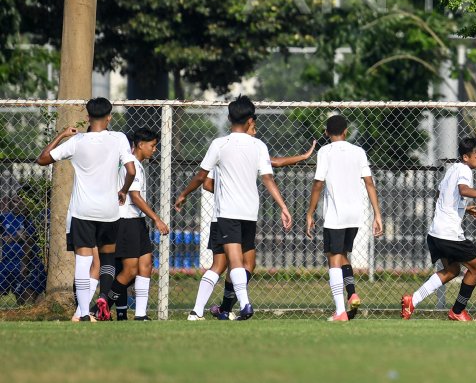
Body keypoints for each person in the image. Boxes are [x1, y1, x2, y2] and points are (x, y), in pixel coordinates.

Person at [174, 95, 293, 321]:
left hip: (231, 213)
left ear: (229, 118)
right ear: (250, 120)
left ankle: (209, 310)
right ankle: (241, 305)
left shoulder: (220, 144)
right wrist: (283, 206)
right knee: (231, 263)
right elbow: (268, 179)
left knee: (242, 263)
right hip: (242, 213)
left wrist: (183, 194)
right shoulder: (258, 145)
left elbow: (201, 177)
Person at [36, 97, 136, 322]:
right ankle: (102, 301)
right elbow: (131, 170)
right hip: (109, 212)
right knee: (107, 258)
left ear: (88, 117)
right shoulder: (119, 138)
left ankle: (82, 313)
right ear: (109, 116)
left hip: (82, 212)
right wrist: (123, 191)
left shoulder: (77, 141)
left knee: (83, 261)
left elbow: (42, 159)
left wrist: (62, 135)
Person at [205, 126, 315, 319]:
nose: (255, 132)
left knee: (247, 264)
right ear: (246, 124)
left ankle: (225, 308)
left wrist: (304, 157)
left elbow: (274, 163)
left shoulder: (254, 148)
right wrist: (231, 194)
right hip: (223, 216)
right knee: (222, 265)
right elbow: (206, 182)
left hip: (244, 215)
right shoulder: (222, 148)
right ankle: (204, 310)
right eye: (254, 127)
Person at [402, 137, 476, 321]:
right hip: (450, 235)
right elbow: (463, 190)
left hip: (435, 234)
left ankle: (413, 300)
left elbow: (440, 195)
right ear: (466, 157)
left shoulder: (452, 170)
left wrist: (462, 208)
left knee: (452, 271)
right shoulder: (465, 170)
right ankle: (458, 310)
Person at [305, 113, 383, 321]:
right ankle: (352, 293)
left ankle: (340, 311)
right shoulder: (359, 152)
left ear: (326, 133)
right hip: (354, 215)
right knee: (343, 255)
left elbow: (318, 183)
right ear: (346, 131)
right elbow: (369, 183)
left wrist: (310, 213)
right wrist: (377, 214)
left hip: (335, 216)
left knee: (333, 259)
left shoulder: (325, 152)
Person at [111, 128, 170, 320]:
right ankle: (100, 306)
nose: (155, 150)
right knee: (129, 271)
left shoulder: (136, 164)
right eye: (152, 146)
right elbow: (134, 197)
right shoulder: (132, 164)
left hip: (137, 221)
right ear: (140, 145)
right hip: (126, 221)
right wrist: (157, 219)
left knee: (146, 265)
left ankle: (140, 314)